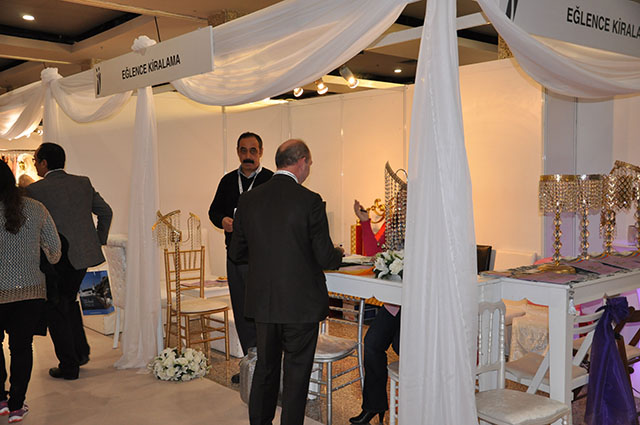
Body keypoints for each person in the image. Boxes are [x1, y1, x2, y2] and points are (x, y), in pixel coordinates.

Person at [229, 139, 343, 425]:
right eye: (310, 164)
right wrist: (339, 253)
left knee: (266, 368)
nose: (309, 169)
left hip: (264, 302)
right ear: (301, 161)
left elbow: (237, 253)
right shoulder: (310, 201)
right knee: (296, 373)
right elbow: (325, 256)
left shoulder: (249, 200)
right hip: (300, 304)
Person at [26, 142, 112, 380]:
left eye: (35, 161)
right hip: (83, 257)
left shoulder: (35, 191)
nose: (35, 165)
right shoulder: (82, 183)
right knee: (68, 302)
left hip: (55, 259)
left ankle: (69, 365)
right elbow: (106, 212)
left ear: (44, 163)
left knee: (56, 308)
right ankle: (80, 352)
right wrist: (97, 240)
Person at [208, 132, 273, 381]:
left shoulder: (270, 180)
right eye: (243, 150)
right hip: (235, 256)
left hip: (262, 259)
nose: (248, 156)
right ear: (237, 152)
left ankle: (267, 366)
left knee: (262, 313)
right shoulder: (227, 181)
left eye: (253, 150)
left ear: (261, 152)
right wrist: (222, 220)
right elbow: (214, 211)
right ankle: (250, 365)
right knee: (242, 311)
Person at [0, 160, 61, 423]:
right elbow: (55, 253)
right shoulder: (36, 208)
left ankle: (0, 401)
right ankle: (16, 405)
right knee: (22, 348)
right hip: (30, 292)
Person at [350, 200, 401, 425]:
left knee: (401, 347)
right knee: (371, 344)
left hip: (418, 306)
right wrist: (364, 221)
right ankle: (374, 406)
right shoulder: (394, 227)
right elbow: (375, 255)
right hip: (394, 304)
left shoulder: (428, 227)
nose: (400, 206)